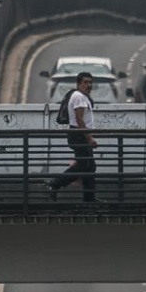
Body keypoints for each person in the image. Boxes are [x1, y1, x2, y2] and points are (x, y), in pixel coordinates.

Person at [46, 72, 98, 202]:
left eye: (90, 82)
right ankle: (55, 183)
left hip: (79, 134)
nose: (89, 85)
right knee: (83, 166)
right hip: (78, 135)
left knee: (90, 166)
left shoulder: (81, 96)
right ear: (79, 84)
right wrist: (89, 137)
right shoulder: (79, 97)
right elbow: (79, 119)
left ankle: (89, 199)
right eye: (85, 82)